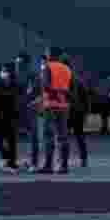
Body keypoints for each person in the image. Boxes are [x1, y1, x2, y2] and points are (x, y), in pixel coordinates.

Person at [33, 47, 73, 175]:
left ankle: (48, 165)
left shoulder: (47, 67)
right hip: (64, 106)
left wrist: (52, 95)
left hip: (50, 105)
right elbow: (71, 88)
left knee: (48, 135)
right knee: (63, 136)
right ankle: (64, 166)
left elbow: (45, 85)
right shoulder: (67, 69)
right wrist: (63, 95)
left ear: (49, 55)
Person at [0, 63, 20, 171]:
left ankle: (12, 163)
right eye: (2, 71)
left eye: (6, 71)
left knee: (11, 140)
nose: (4, 73)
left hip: (11, 116)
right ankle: (7, 157)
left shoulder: (15, 84)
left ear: (11, 73)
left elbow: (16, 98)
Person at [62, 55, 90, 170]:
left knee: (64, 137)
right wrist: (86, 113)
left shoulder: (64, 79)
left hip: (67, 111)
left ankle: (64, 160)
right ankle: (83, 159)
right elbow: (86, 98)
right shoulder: (78, 79)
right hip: (78, 112)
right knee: (80, 136)